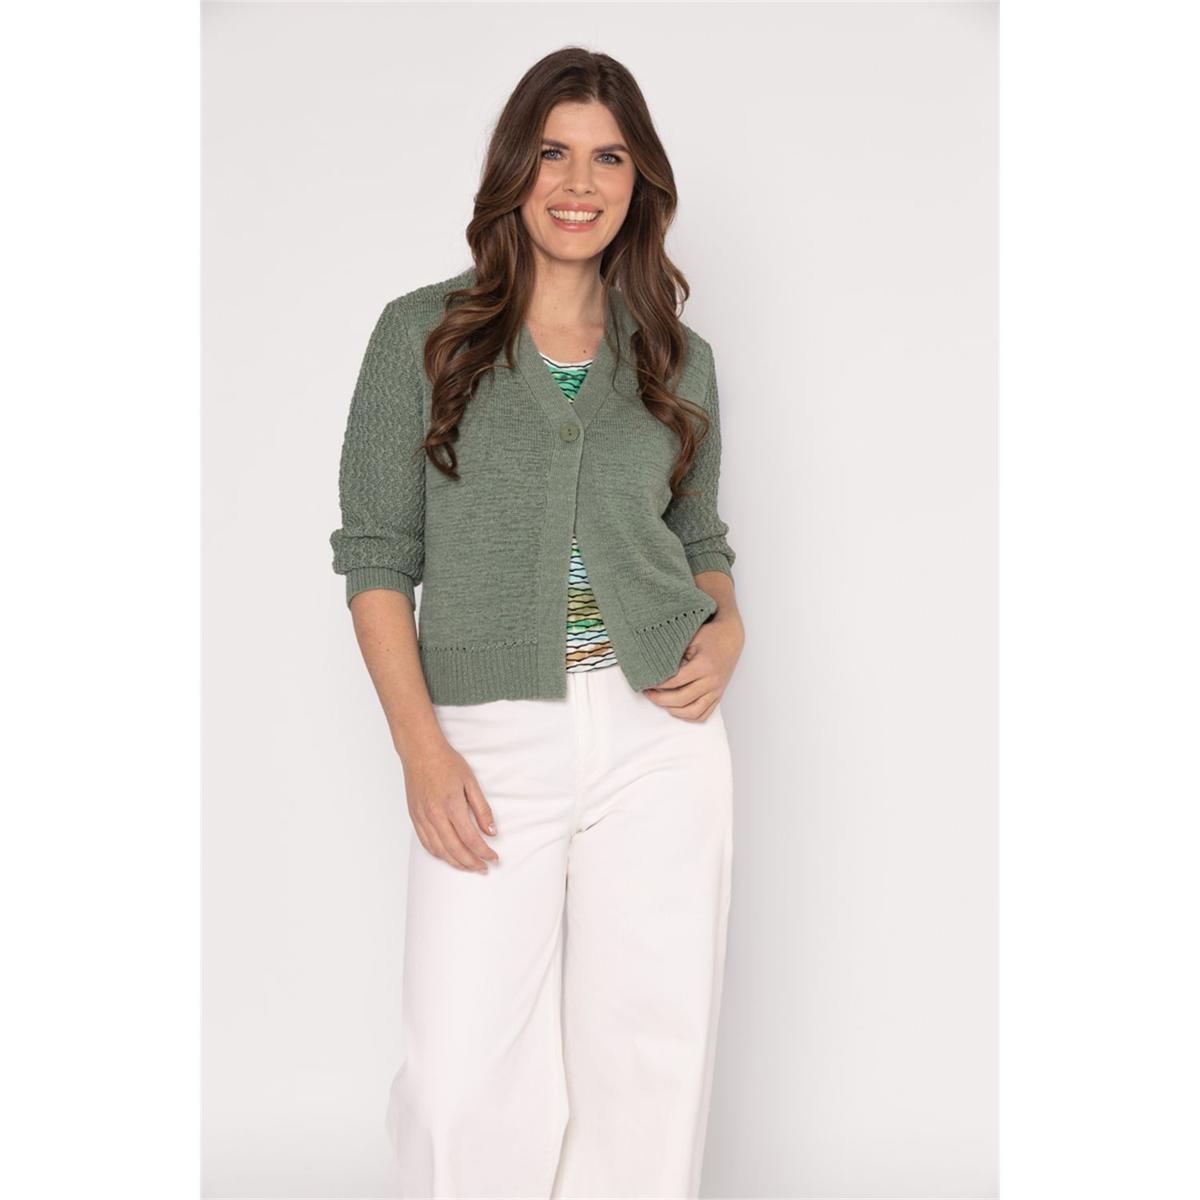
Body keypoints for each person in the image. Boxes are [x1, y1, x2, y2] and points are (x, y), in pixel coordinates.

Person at [329, 46, 745, 1199]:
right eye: (555, 152)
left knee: (648, 1062)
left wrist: (727, 633)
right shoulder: (422, 334)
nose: (578, 182)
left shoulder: (678, 358)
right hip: (488, 737)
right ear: (515, 168)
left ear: (638, 181)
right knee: (459, 1082)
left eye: (608, 157)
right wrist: (422, 748)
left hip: (661, 738)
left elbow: (702, 540)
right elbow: (376, 555)